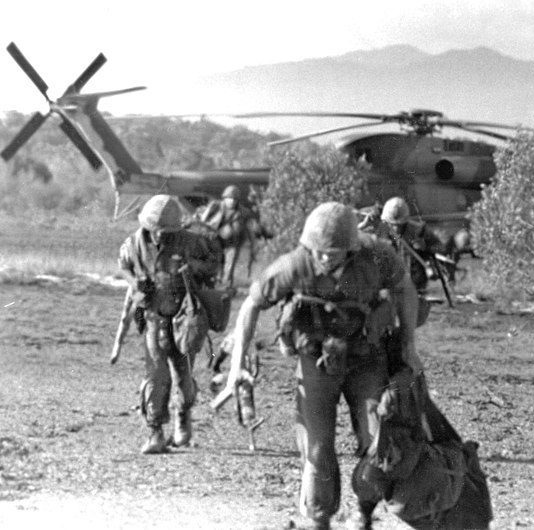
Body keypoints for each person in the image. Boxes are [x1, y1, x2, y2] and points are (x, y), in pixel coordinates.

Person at [222, 201, 422, 530]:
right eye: (319, 251)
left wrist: (409, 345)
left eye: (335, 252)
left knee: (378, 440)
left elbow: (406, 288)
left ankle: (364, 510)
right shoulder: (295, 265)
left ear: (352, 248)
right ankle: (318, 519)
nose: (326, 257)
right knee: (317, 449)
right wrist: (236, 367)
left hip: (366, 359)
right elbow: (251, 305)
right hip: (315, 362)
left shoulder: (375, 255)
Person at [118, 194, 219, 454]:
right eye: (157, 231)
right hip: (152, 318)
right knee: (155, 377)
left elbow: (213, 264)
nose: (161, 236)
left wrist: (192, 267)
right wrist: (134, 282)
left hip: (185, 321)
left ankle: (183, 420)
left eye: (167, 232)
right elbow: (123, 266)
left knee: (183, 375)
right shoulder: (134, 243)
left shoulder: (192, 242)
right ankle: (155, 432)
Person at [375, 197, 445, 294]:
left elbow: (441, 248)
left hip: (416, 285)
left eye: (399, 225)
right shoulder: (381, 232)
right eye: (392, 224)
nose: (395, 228)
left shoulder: (419, 231)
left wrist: (425, 247)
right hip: (390, 284)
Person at [199, 185, 258, 288]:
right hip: (214, 240)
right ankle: (211, 284)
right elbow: (203, 221)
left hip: (233, 243)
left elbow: (250, 231)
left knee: (229, 266)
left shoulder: (243, 212)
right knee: (212, 264)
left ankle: (226, 286)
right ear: (224, 198)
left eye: (235, 199)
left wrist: (253, 247)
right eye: (230, 198)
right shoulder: (216, 206)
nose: (232, 201)